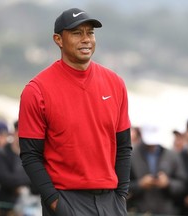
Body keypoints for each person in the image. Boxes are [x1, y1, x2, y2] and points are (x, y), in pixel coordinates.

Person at [18, 7, 132, 216]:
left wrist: (121, 196)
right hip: (66, 201)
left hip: (111, 202)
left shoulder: (115, 84)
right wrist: (55, 203)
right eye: (77, 33)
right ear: (58, 39)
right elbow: (30, 156)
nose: (86, 39)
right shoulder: (36, 91)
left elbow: (124, 146)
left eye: (90, 32)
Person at [128, 124, 187, 215]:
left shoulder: (172, 156)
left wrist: (168, 183)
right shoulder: (131, 156)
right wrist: (140, 184)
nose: (151, 145)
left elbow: (183, 185)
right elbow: (122, 186)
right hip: (138, 211)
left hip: (165, 212)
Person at [0, 120, 34, 216]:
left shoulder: (32, 155)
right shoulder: (2, 153)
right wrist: (29, 178)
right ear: (15, 132)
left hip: (28, 206)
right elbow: (3, 178)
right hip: (5, 207)